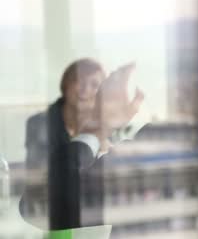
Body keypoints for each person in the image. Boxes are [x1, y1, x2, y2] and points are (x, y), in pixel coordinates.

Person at [20, 58, 144, 230]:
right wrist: (96, 133)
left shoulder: (107, 123)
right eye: (79, 81)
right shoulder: (40, 122)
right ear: (65, 85)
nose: (85, 89)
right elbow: (43, 179)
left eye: (94, 85)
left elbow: (107, 177)